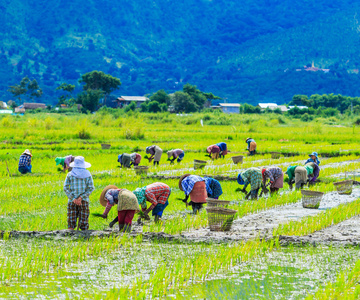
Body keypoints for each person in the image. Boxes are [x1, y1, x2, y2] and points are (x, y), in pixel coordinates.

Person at [63, 156, 94, 230]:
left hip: (72, 201)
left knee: (71, 221)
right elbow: (91, 188)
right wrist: (80, 198)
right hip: (84, 201)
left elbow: (65, 188)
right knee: (84, 222)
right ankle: (84, 240)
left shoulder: (70, 174)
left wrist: (73, 198)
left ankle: (70, 239)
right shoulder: (88, 174)